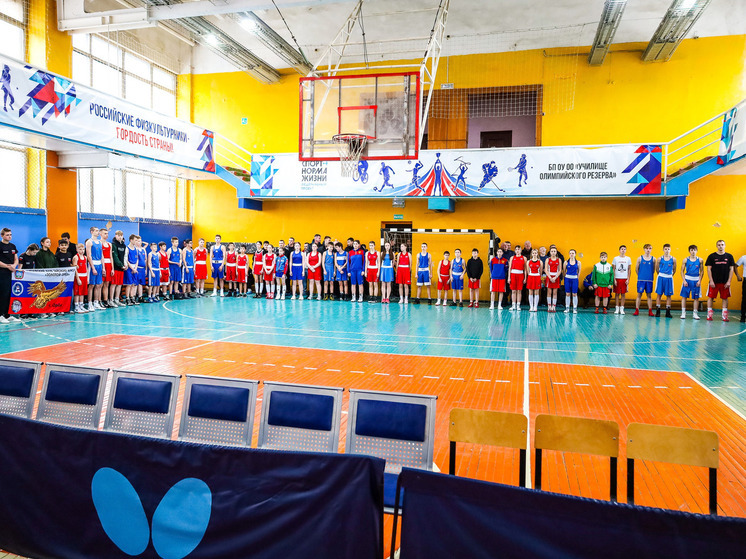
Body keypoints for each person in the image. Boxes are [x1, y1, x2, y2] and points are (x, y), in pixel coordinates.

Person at [705, 240, 736, 322]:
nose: (720, 246)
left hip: (725, 282)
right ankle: (709, 314)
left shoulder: (729, 256)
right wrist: (711, 281)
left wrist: (729, 281)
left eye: (722, 244)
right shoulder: (711, 256)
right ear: (716, 246)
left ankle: (724, 316)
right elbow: (708, 269)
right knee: (711, 297)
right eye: (719, 245)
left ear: (725, 245)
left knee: (725, 298)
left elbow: (731, 269)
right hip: (714, 282)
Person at [0, 228, 19, 324]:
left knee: (9, 294)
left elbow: (16, 259)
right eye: (7, 235)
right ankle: (0, 315)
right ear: (2, 235)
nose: (9, 236)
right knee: (2, 294)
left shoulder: (12, 246)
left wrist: (14, 266)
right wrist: (8, 266)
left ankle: (7, 315)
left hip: (11, 273)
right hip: (2, 273)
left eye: (10, 235)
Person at [680, 244, 704, 320]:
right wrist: (684, 280)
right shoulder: (685, 260)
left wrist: (699, 280)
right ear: (689, 251)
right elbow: (681, 271)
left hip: (696, 280)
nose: (693, 251)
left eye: (694, 250)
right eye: (691, 250)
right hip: (687, 279)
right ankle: (683, 313)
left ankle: (695, 313)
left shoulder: (700, 260)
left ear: (697, 251)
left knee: (696, 298)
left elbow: (702, 271)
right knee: (684, 297)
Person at [655, 244, 677, 318]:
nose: (667, 251)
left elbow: (674, 269)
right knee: (659, 294)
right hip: (661, 277)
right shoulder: (659, 259)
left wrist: (669, 275)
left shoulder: (673, 259)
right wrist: (661, 274)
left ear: (670, 250)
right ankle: (658, 311)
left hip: (669, 278)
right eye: (665, 249)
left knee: (669, 295)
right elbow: (657, 269)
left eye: (668, 249)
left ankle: (668, 312)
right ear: (663, 250)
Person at [85, 227, 104, 311]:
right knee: (91, 285)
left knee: (98, 285)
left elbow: (102, 255)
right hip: (93, 264)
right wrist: (93, 268)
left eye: (98, 231)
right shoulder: (89, 242)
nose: (98, 232)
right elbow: (88, 256)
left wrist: (103, 268)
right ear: (91, 232)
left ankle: (96, 303)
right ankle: (90, 304)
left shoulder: (100, 242)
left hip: (99, 264)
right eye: (96, 231)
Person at [634, 244, 656, 316]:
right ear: (644, 249)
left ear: (651, 249)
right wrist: (641, 275)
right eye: (647, 248)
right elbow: (636, 269)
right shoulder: (639, 258)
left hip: (649, 280)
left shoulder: (653, 259)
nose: (648, 250)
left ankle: (650, 310)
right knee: (639, 294)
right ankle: (637, 310)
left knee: (649, 295)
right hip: (641, 280)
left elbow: (653, 269)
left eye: (650, 248)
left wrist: (648, 275)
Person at [612, 245, 632, 315]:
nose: (623, 250)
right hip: (617, 278)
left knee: (623, 294)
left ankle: (622, 308)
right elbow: (613, 269)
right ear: (619, 250)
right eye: (622, 249)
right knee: (617, 294)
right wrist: (614, 279)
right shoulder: (615, 258)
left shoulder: (628, 259)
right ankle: (617, 308)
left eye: (624, 249)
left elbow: (629, 269)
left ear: (626, 250)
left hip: (624, 279)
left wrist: (628, 279)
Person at [123, 234, 139, 306]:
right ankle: (127, 298)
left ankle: (132, 297)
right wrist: (132, 268)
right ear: (131, 240)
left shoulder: (136, 249)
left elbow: (137, 259)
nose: (136, 242)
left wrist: (135, 268)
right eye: (135, 240)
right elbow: (126, 260)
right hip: (129, 268)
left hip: (134, 268)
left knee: (133, 284)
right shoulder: (127, 248)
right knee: (129, 284)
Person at [72, 243, 89, 314]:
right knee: (77, 292)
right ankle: (76, 306)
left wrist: (87, 278)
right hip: (78, 276)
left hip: (84, 276)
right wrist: (78, 278)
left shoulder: (85, 257)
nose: (82, 251)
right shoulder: (76, 257)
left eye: (83, 249)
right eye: (80, 249)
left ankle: (81, 305)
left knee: (82, 292)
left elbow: (86, 268)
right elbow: (75, 269)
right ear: (77, 250)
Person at [563, 249, 581, 314]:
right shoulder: (566, 262)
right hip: (567, 279)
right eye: (570, 253)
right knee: (567, 293)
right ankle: (567, 308)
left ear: (575, 254)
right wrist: (566, 278)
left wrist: (576, 277)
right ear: (569, 254)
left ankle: (575, 308)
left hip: (575, 279)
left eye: (573, 253)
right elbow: (564, 271)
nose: (571, 254)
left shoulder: (578, 262)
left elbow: (579, 271)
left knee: (574, 294)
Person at [545, 246, 562, 312]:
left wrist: (555, 277)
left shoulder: (559, 260)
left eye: (554, 251)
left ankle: (553, 306)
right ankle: (549, 306)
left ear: (556, 252)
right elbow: (546, 270)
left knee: (555, 292)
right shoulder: (547, 259)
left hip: (556, 277)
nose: (553, 252)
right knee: (549, 292)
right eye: (552, 251)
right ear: (550, 252)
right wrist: (550, 277)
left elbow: (560, 270)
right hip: (549, 277)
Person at [99, 229, 113, 308]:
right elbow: (101, 256)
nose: (106, 235)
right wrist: (103, 267)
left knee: (107, 284)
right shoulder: (99, 243)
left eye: (107, 233)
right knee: (100, 284)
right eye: (105, 233)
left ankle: (106, 300)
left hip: (109, 265)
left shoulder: (109, 244)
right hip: (102, 265)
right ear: (100, 234)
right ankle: (99, 301)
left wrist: (112, 268)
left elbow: (111, 256)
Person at [736, 251, 746, 323]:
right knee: (744, 299)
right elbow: (735, 266)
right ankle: (743, 316)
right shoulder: (744, 257)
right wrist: (738, 276)